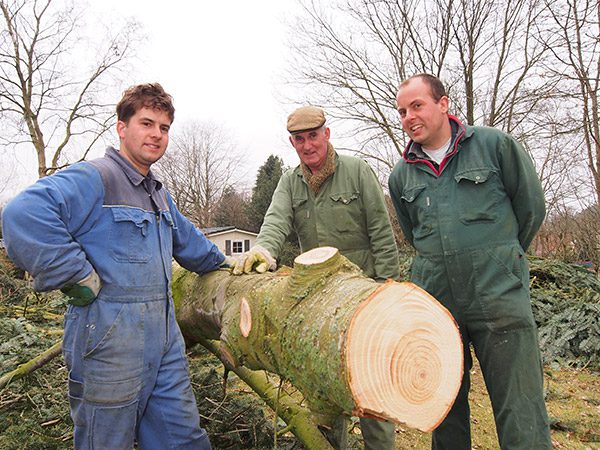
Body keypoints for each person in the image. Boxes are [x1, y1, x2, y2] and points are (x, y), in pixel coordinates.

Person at [1, 83, 229, 450]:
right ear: (122, 128)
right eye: (146, 123)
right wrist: (76, 275)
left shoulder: (158, 193)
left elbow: (192, 244)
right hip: (107, 343)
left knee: (183, 439)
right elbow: (22, 215)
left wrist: (235, 264)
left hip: (165, 342)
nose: (156, 134)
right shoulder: (96, 177)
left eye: (164, 128)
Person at [388, 74, 552, 449]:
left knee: (520, 407)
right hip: (439, 306)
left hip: (500, 297)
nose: (409, 117)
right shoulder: (401, 176)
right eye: (401, 111)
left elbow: (531, 209)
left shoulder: (494, 147)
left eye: (417, 106)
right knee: (444, 409)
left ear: (443, 104)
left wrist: (501, 257)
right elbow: (413, 235)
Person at [234, 106, 400, 450]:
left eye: (313, 136)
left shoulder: (357, 172)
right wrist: (263, 251)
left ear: (327, 134)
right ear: (292, 142)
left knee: (373, 396)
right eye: (299, 139)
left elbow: (383, 235)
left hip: (364, 301)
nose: (307, 145)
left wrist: (389, 292)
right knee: (323, 392)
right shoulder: (289, 182)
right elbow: (276, 221)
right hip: (319, 305)